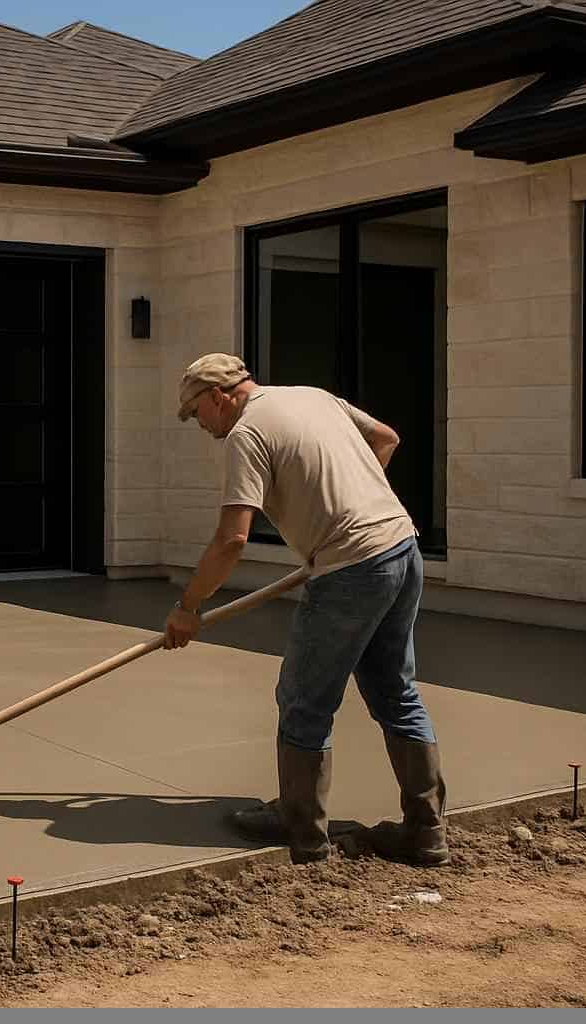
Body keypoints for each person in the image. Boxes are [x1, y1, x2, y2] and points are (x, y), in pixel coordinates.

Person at [161, 353, 447, 867]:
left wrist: (188, 607)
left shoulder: (247, 434)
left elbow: (232, 540)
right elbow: (386, 439)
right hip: (402, 548)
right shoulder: (314, 397)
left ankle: (304, 837)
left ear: (218, 396)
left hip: (352, 569)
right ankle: (425, 833)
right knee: (395, 691)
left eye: (195, 412)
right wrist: (350, 510)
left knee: (304, 701)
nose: (198, 424)